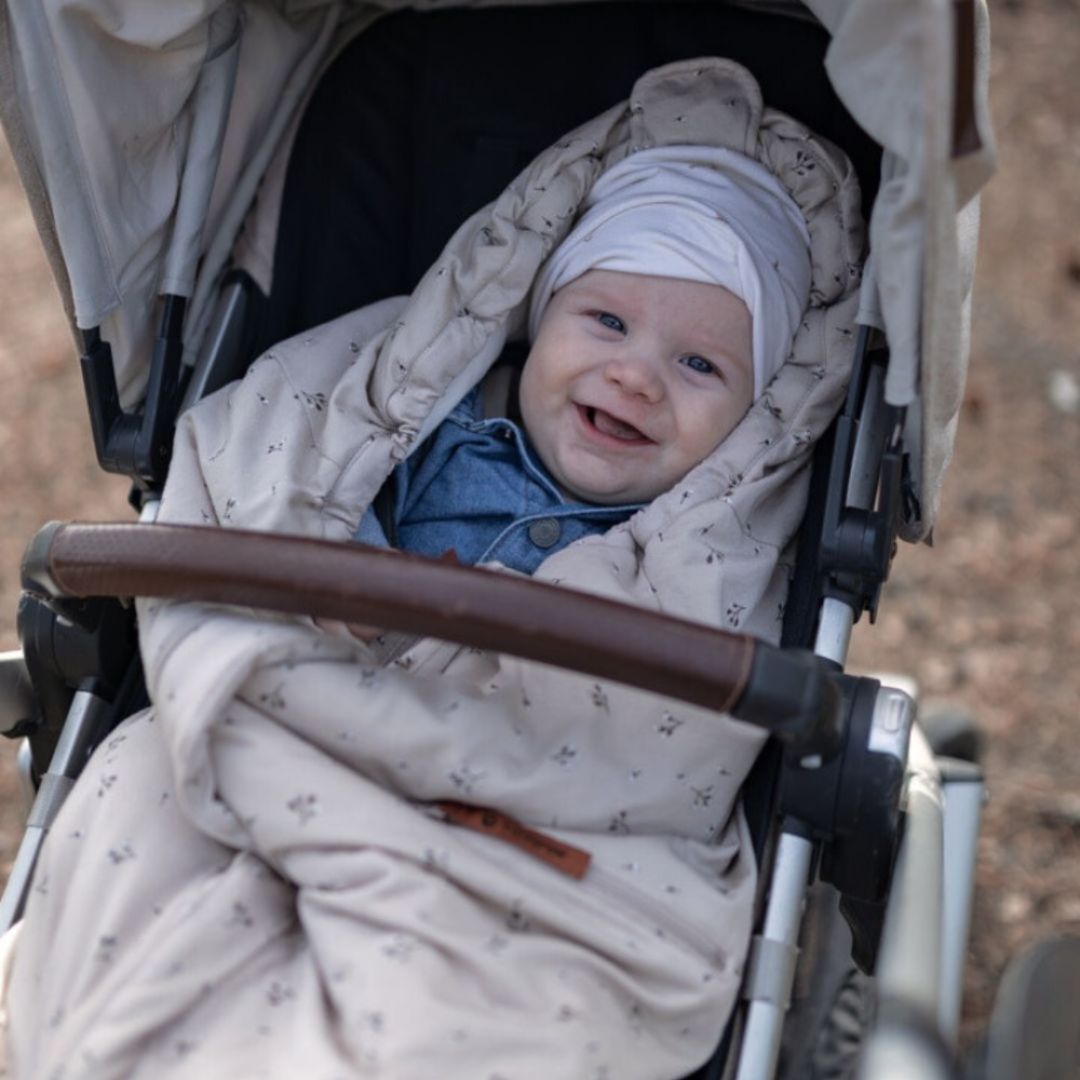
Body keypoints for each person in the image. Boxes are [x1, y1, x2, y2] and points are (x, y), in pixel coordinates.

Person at [1, 59, 864, 1080]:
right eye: (606, 322)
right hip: (292, 723)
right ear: (537, 312)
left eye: (700, 365)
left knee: (430, 1020)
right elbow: (275, 477)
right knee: (138, 831)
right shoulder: (410, 415)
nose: (635, 374)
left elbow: (668, 737)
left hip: (529, 829)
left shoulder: (703, 537)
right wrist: (339, 574)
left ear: (751, 418)